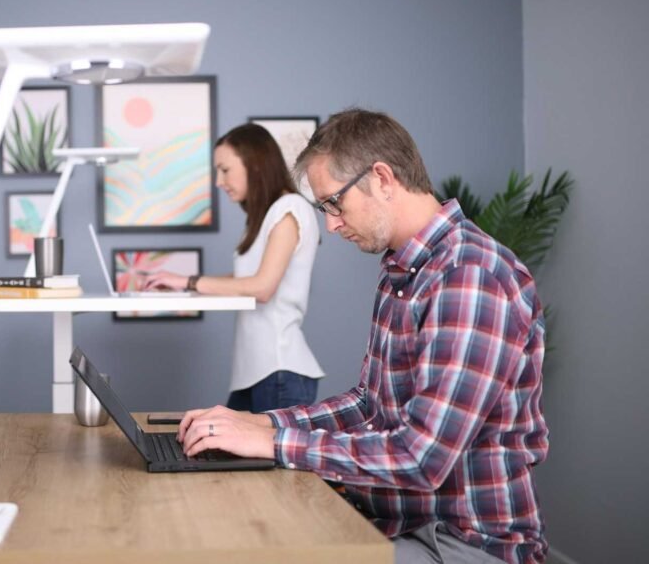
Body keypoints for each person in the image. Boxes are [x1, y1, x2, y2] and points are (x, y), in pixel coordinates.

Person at [175, 109, 549, 564]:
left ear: (382, 178)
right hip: (399, 524)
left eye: (334, 203)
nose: (331, 226)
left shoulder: (470, 276)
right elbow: (369, 404)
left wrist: (272, 443)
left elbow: (422, 458)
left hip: (461, 543)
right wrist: (265, 423)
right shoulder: (402, 271)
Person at [144, 123, 324, 412]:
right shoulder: (265, 216)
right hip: (255, 373)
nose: (218, 181)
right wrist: (184, 284)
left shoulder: (290, 207)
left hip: (279, 371)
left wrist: (190, 282)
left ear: (255, 164)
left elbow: (262, 287)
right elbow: (244, 279)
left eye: (225, 170)